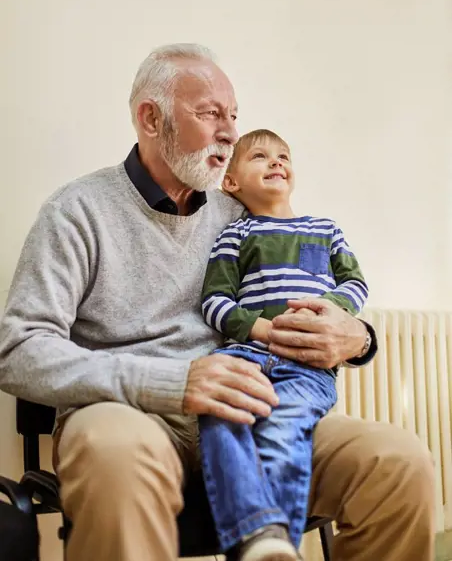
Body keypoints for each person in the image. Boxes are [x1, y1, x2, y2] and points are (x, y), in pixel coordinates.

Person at [0, 44, 435, 561]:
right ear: (150, 118)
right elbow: (19, 350)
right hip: (127, 413)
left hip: (254, 410)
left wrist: (357, 337)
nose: (230, 132)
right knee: (116, 457)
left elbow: (321, 297)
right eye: (210, 114)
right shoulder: (78, 211)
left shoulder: (242, 214)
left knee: (398, 464)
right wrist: (170, 383)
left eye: (233, 115)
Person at [199, 128, 369, 561]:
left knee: (283, 427)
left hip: (306, 367)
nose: (276, 162)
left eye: (283, 156)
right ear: (231, 183)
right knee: (219, 414)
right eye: (260, 156)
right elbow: (215, 301)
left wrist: (323, 308)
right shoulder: (234, 235)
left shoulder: (325, 229)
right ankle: (258, 537)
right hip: (244, 355)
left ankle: (271, 546)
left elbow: (354, 285)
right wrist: (261, 330)